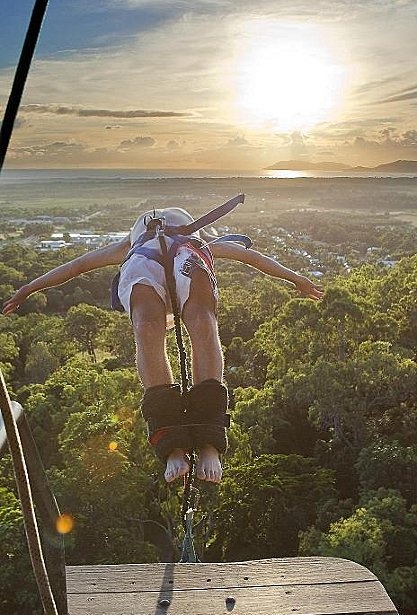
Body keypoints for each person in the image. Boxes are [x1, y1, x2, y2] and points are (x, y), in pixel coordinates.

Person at [2, 202, 323, 485]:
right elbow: (76, 267)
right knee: (147, 325)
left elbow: (249, 255)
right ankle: (172, 444)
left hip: (188, 256)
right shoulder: (131, 247)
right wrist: (28, 288)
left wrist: (296, 279)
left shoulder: (197, 242)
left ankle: (209, 440)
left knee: (201, 321)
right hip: (145, 267)